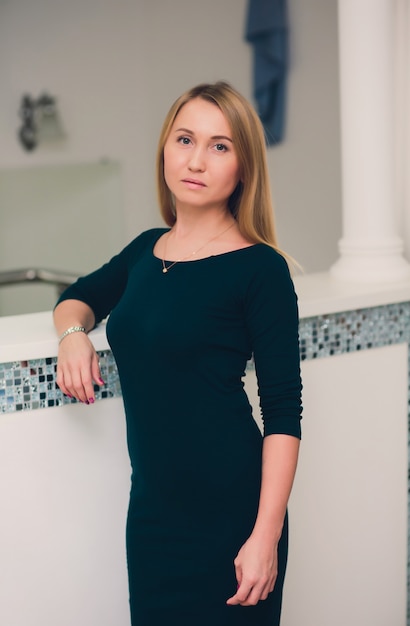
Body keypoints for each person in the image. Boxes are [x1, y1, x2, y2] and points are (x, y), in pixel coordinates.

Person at [53, 81, 302, 626]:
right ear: (165, 147)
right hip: (153, 516)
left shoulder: (260, 269)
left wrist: (265, 535)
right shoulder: (146, 250)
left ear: (243, 167)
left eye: (220, 146)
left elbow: (283, 411)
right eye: (185, 139)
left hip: (235, 515)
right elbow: (76, 299)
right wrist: (73, 338)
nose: (196, 159)